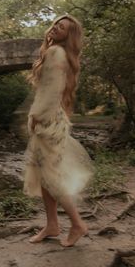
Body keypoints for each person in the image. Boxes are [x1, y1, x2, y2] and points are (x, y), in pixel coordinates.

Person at [23, 15, 94, 247]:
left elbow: (51, 91)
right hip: (52, 119)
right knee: (45, 176)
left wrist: (36, 115)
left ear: (68, 36)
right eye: (56, 24)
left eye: (61, 28)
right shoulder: (57, 52)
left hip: (47, 121)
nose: (55, 28)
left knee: (52, 177)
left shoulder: (56, 53)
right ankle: (52, 224)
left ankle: (77, 224)